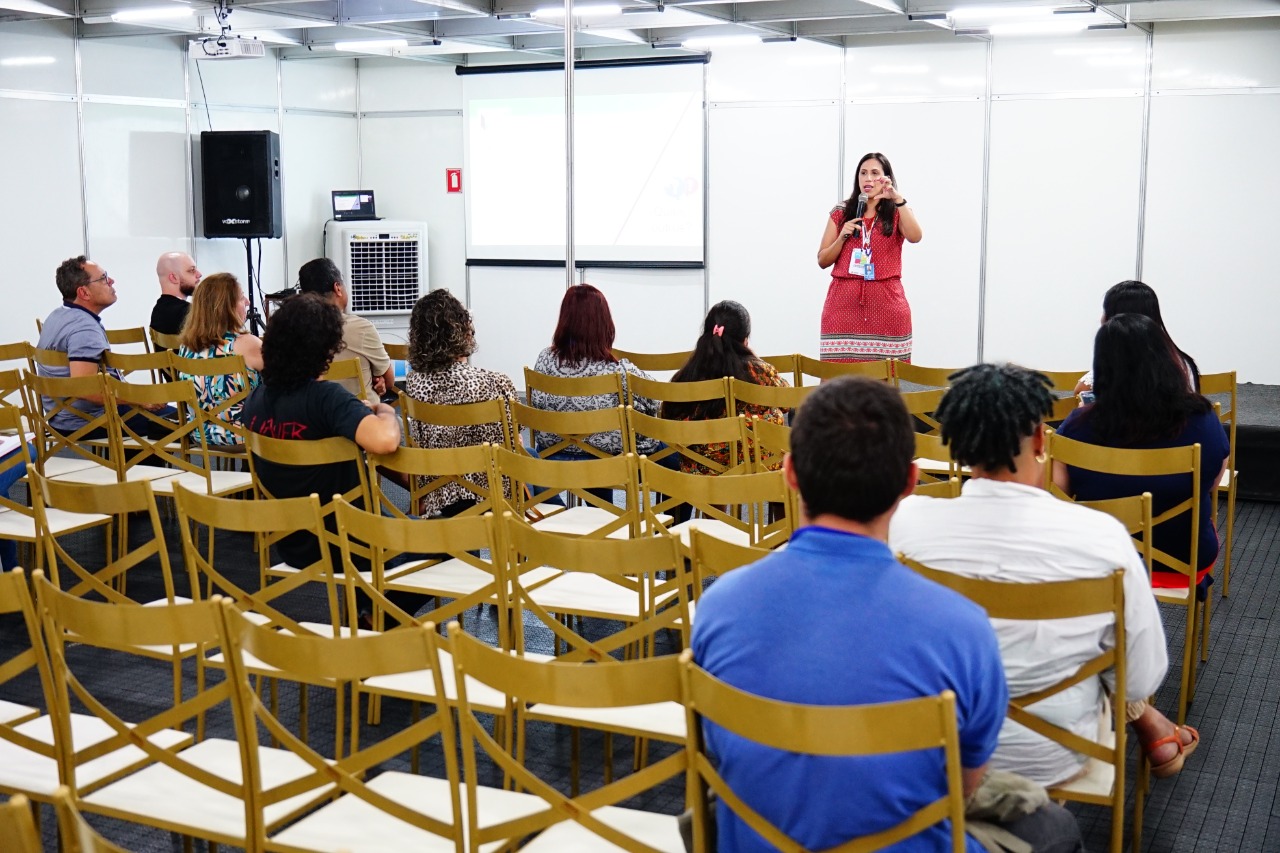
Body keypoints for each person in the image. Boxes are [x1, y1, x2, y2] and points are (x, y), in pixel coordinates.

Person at [692, 376, 1081, 853]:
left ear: (790, 473)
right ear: (911, 482)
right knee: (1057, 832)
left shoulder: (717, 606)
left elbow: (721, 753)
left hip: (755, 841)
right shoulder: (962, 628)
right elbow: (960, 787)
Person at [891, 363, 1197, 786]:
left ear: (955, 446)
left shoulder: (907, 523)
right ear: (1039, 439)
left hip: (938, 746)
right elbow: (1141, 676)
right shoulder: (1101, 535)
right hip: (1054, 754)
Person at [1055, 313, 1229, 595]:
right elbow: (1210, 484)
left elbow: (1059, 494)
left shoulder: (1078, 424)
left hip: (1098, 561)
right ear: (1166, 359)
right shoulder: (1202, 417)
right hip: (1183, 561)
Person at [241, 293, 401, 572]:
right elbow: (386, 441)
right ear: (326, 348)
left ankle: (368, 609)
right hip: (358, 542)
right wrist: (384, 411)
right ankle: (376, 614)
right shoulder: (326, 398)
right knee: (455, 540)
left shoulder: (255, 400)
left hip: (293, 545)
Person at [404, 289, 517, 518]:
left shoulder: (414, 382)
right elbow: (513, 443)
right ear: (462, 330)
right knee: (529, 459)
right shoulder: (495, 383)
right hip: (489, 494)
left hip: (437, 490)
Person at [36, 256, 171, 439]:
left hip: (60, 418)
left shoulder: (56, 317)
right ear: (84, 293)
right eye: (104, 278)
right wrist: (139, 399)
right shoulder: (84, 327)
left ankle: (128, 465)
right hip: (89, 421)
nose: (111, 281)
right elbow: (84, 388)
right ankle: (144, 467)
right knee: (175, 421)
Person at [528, 284, 661, 460]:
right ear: (603, 322)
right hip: (605, 464)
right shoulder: (617, 370)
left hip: (551, 455)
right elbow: (656, 403)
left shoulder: (544, 359)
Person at [816, 152, 922, 363]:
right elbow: (822, 260)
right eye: (863, 173)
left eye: (875, 173)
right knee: (839, 378)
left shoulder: (898, 210)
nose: (868, 178)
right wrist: (842, 237)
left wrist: (897, 199)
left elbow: (915, 236)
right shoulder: (842, 211)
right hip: (843, 305)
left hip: (887, 303)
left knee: (889, 378)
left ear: (886, 178)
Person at [661, 300, 788, 475]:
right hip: (759, 466)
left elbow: (668, 414)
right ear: (745, 338)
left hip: (702, 469)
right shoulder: (758, 371)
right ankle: (778, 499)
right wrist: (755, 358)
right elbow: (786, 403)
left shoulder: (692, 371)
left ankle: (711, 499)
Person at [176, 272, 263, 446]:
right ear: (227, 307)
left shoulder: (186, 348)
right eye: (241, 298)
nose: (247, 302)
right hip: (245, 436)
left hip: (199, 434)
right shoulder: (247, 344)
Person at [297, 258, 395, 403]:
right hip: (359, 418)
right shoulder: (362, 328)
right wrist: (378, 380)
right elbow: (389, 381)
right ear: (337, 288)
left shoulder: (293, 330)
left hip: (315, 419)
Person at [1074, 280, 1199, 394]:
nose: (1101, 319)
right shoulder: (1181, 361)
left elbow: (1080, 390)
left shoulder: (1125, 361)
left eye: (1105, 311)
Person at [150, 251, 202, 339]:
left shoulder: (157, 311)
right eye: (192, 270)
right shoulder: (191, 313)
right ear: (174, 278)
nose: (199, 274)